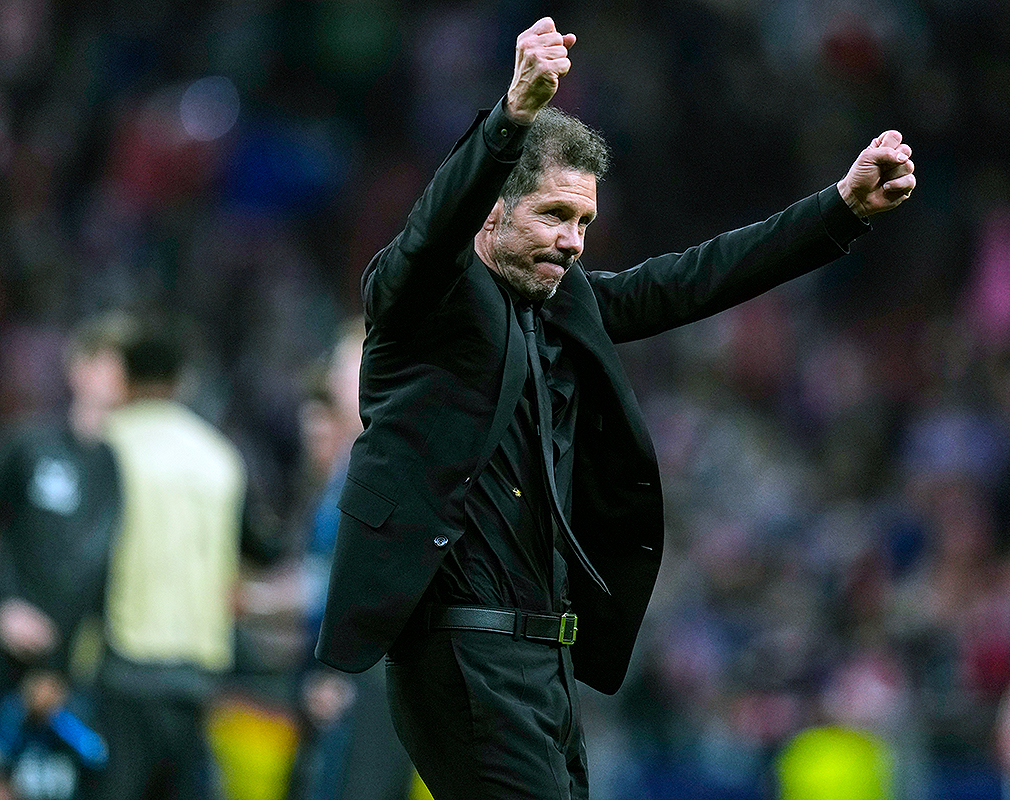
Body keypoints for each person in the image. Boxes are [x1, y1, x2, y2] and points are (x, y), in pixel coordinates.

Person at [316, 16, 915, 799]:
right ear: (491, 212)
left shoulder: (563, 309)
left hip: (544, 663)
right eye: (553, 215)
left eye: (584, 222)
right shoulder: (422, 302)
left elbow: (696, 277)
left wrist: (841, 208)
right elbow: (432, 232)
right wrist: (511, 117)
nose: (573, 241)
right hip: (463, 654)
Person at [95, 319, 279, 800]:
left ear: (123, 378)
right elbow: (258, 548)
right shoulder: (219, 456)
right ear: (183, 381)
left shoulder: (106, 446)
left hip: (123, 665)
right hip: (197, 672)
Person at [0, 313, 131, 799]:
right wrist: (4, 605)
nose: (121, 379)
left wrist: (66, 669)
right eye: (113, 363)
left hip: (70, 678)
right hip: (7, 656)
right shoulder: (29, 444)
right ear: (79, 367)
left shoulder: (123, 466)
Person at [288, 318, 413, 800]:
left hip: (368, 680)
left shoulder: (388, 459)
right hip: (346, 674)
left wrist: (342, 670)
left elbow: (375, 575)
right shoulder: (354, 459)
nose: (337, 375)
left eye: (347, 362)